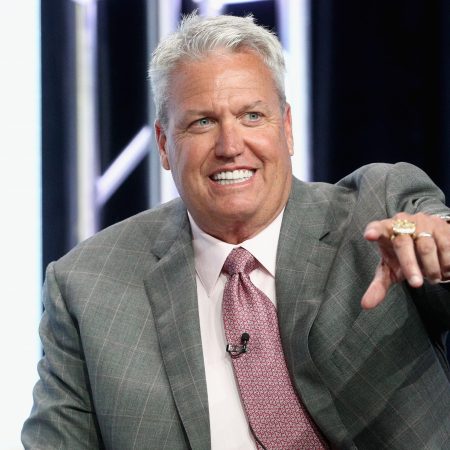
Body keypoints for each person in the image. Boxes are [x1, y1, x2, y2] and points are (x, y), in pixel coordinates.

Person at [22, 13, 450, 450]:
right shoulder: (87, 287)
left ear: (285, 127)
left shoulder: (377, 210)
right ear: (165, 145)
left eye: (251, 116)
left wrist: (443, 248)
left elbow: (434, 238)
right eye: (202, 122)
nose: (229, 146)